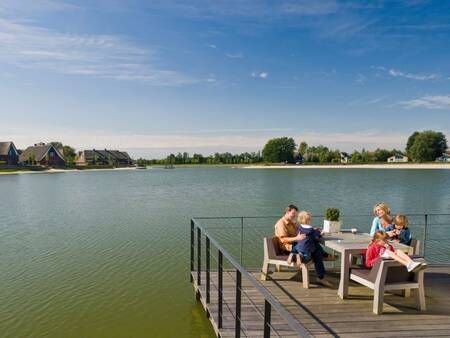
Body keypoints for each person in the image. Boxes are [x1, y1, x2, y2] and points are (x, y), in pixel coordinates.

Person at [274, 205, 332, 287]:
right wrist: (297, 238)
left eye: (296, 214)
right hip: (288, 247)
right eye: (293, 213)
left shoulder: (292, 222)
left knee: (313, 245)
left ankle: (321, 272)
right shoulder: (281, 224)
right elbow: (283, 239)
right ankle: (321, 275)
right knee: (316, 250)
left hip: (298, 244)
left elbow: (302, 231)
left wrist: (313, 230)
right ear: (287, 212)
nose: (295, 216)